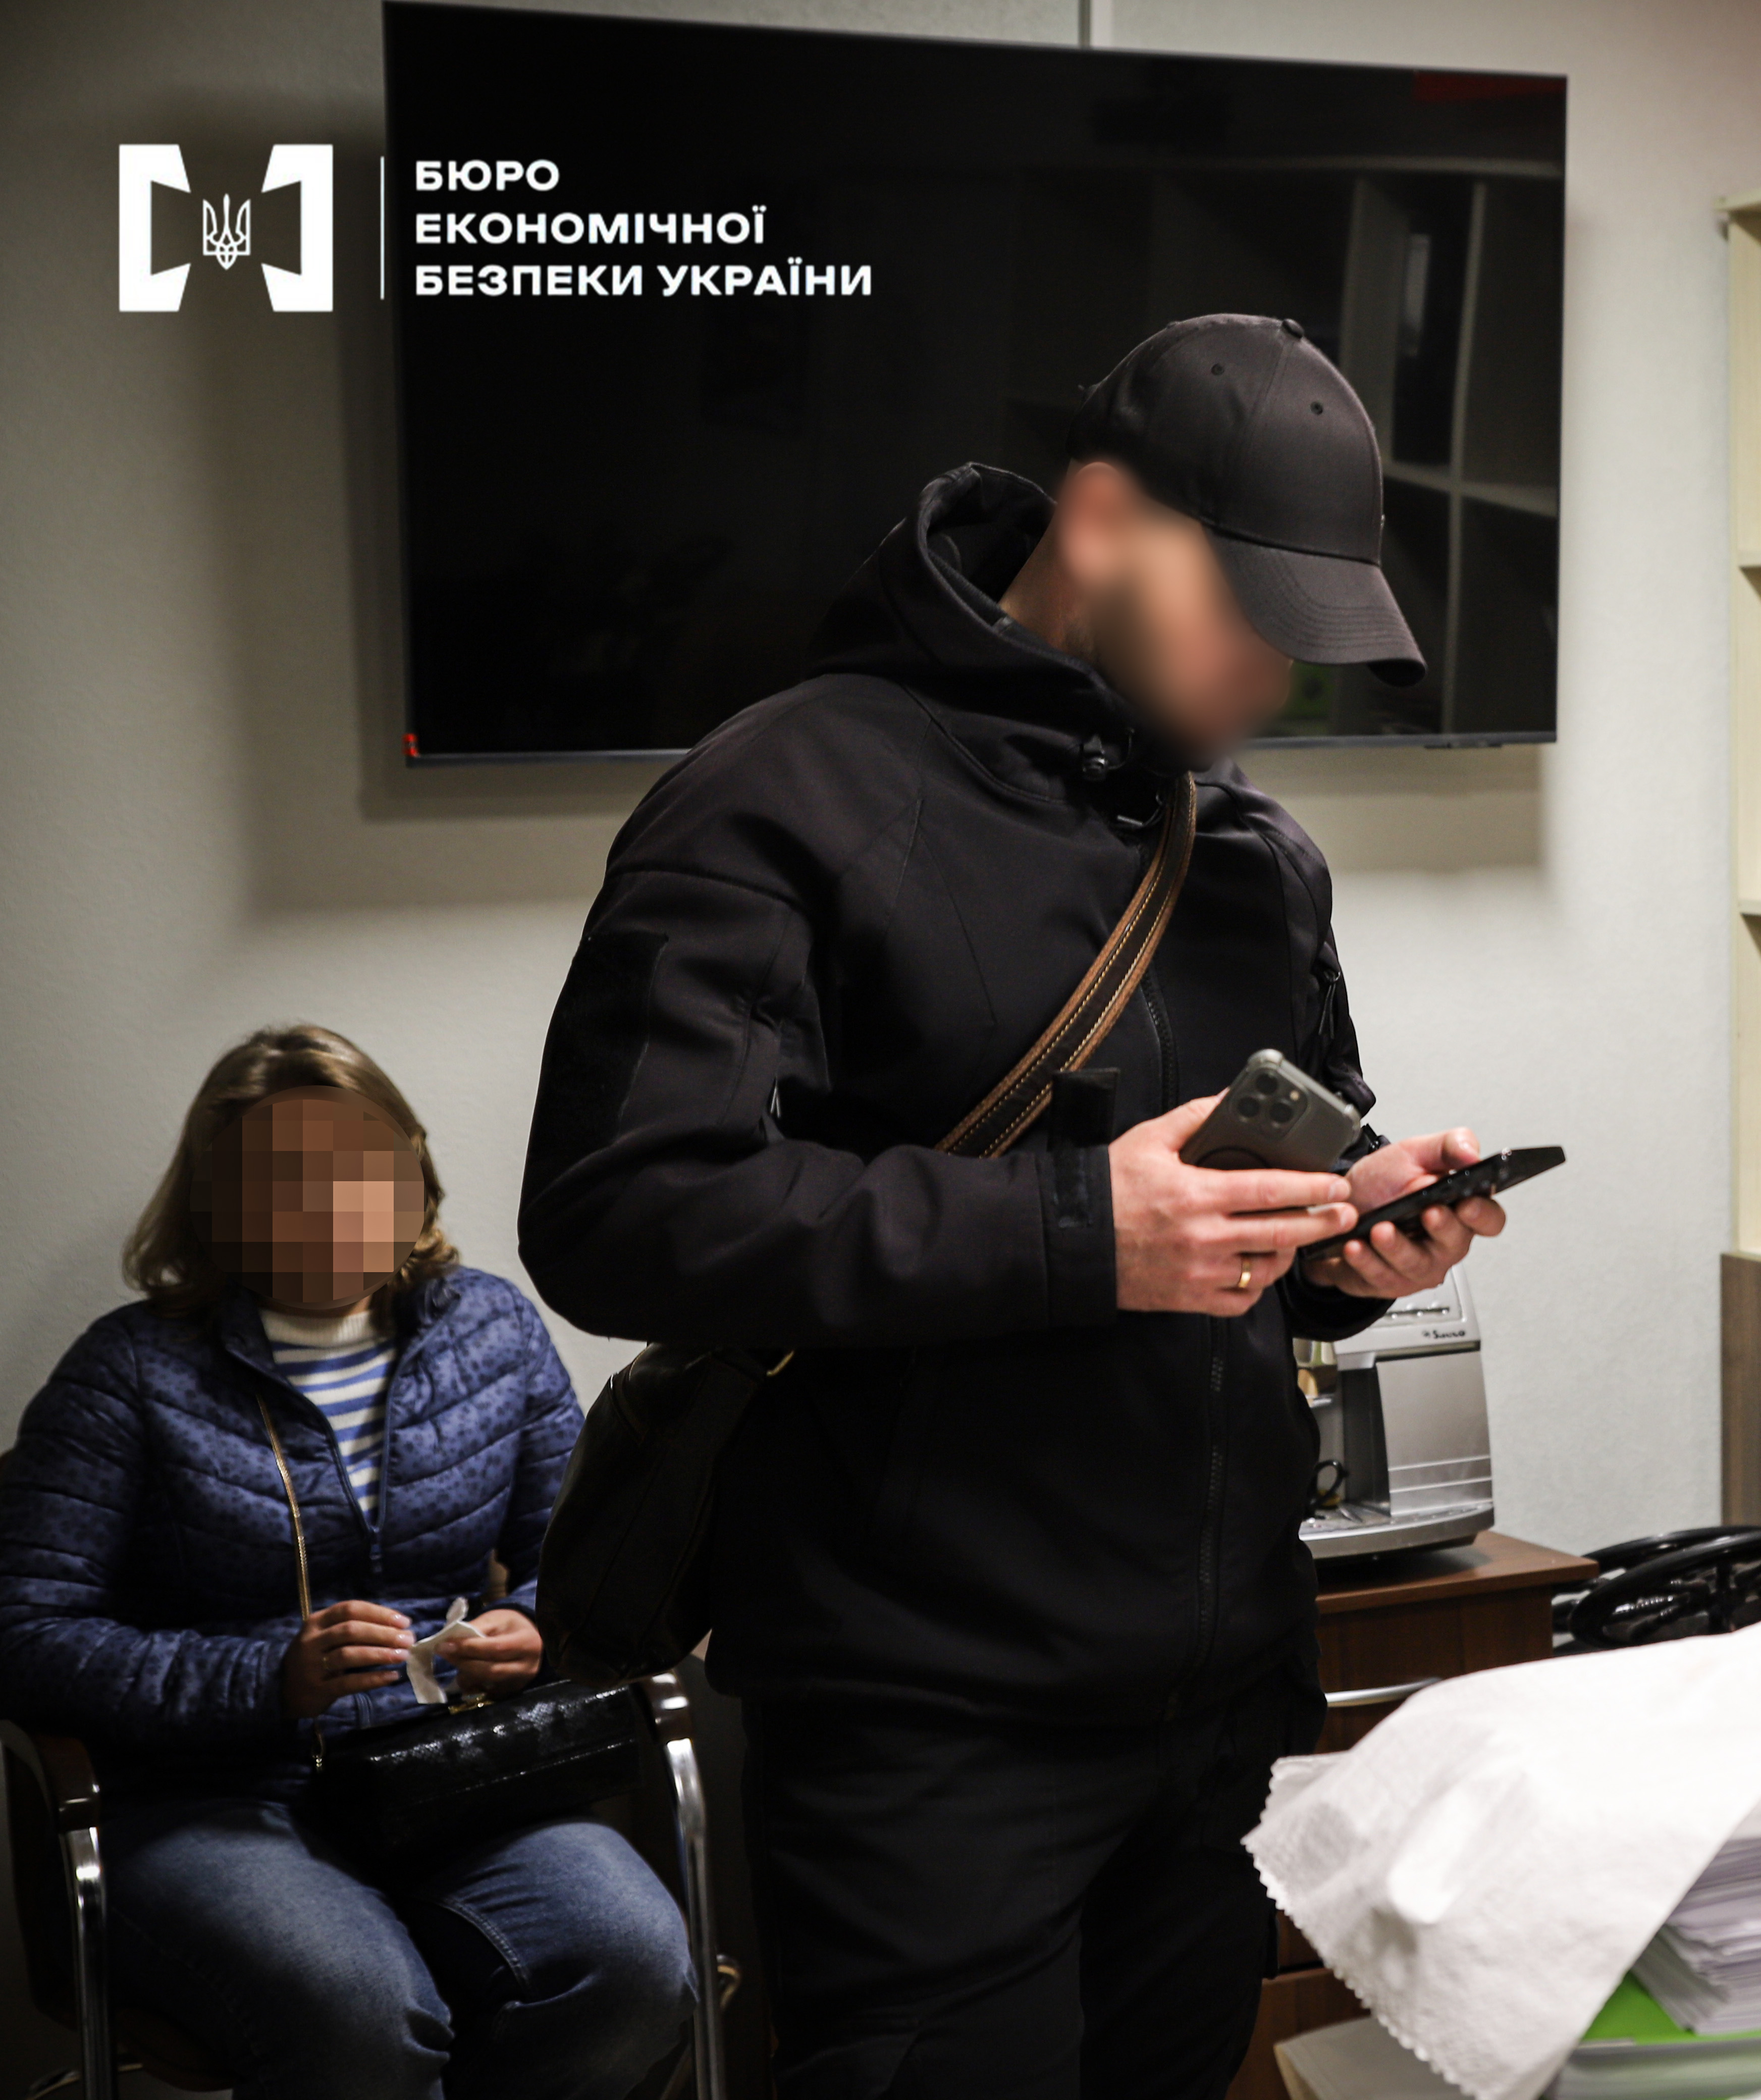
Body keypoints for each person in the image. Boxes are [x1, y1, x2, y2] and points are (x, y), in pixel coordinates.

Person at [518, 314, 1507, 2098]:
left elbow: (1251, 1240)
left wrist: (1353, 1247)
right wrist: (1076, 1229)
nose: (1279, 673)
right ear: (1107, 519)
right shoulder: (776, 794)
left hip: (1216, 1731)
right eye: (1254, 609)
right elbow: (616, 1208)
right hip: (927, 1751)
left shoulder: (1259, 861)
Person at [0, 1024, 693, 2100]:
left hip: (452, 1774)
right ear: (214, 1202)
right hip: (209, 1801)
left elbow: (582, 1561)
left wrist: (541, 1630)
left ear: (412, 1168)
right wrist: (269, 1677)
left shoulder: (493, 1333)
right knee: (360, 2010)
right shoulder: (129, 1372)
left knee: (631, 1964)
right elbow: (26, 1632)